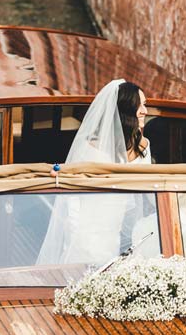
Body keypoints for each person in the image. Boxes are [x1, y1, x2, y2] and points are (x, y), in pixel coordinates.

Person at [36, 80, 152, 266]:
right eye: (141, 105)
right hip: (86, 234)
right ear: (125, 109)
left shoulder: (143, 146)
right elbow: (71, 196)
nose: (145, 111)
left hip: (119, 232)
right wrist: (74, 235)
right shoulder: (90, 148)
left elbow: (145, 194)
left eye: (145, 105)